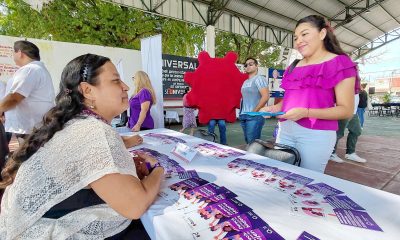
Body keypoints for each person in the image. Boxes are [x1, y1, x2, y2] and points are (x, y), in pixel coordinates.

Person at [0, 54, 164, 239]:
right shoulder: (93, 130)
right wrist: (157, 169)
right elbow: (135, 205)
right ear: (87, 90)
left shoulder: (77, 123)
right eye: (116, 81)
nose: (125, 87)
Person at [260, 15, 358, 173]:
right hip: (284, 130)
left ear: (322, 34)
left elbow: (346, 110)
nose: (299, 41)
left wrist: (305, 112)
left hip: (316, 135)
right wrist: (273, 108)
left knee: (305, 183)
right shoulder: (294, 66)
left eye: (304, 34)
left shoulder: (340, 63)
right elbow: (288, 101)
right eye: (296, 37)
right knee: (280, 177)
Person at [0, 40, 55, 145]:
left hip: (30, 130)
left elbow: (14, 97)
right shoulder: (36, 69)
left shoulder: (30, 69)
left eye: (13, 52)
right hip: (32, 128)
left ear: (20, 53)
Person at [239, 57, 270, 145]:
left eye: (251, 64)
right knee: (249, 142)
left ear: (256, 66)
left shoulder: (259, 79)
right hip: (243, 115)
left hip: (254, 115)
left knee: (253, 144)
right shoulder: (245, 82)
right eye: (246, 65)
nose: (248, 66)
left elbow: (265, 96)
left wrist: (254, 112)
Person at [330, 93, 367, 163]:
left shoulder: (356, 83)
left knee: (357, 131)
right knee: (338, 133)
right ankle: (331, 153)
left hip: (353, 112)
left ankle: (350, 153)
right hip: (344, 111)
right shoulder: (347, 81)